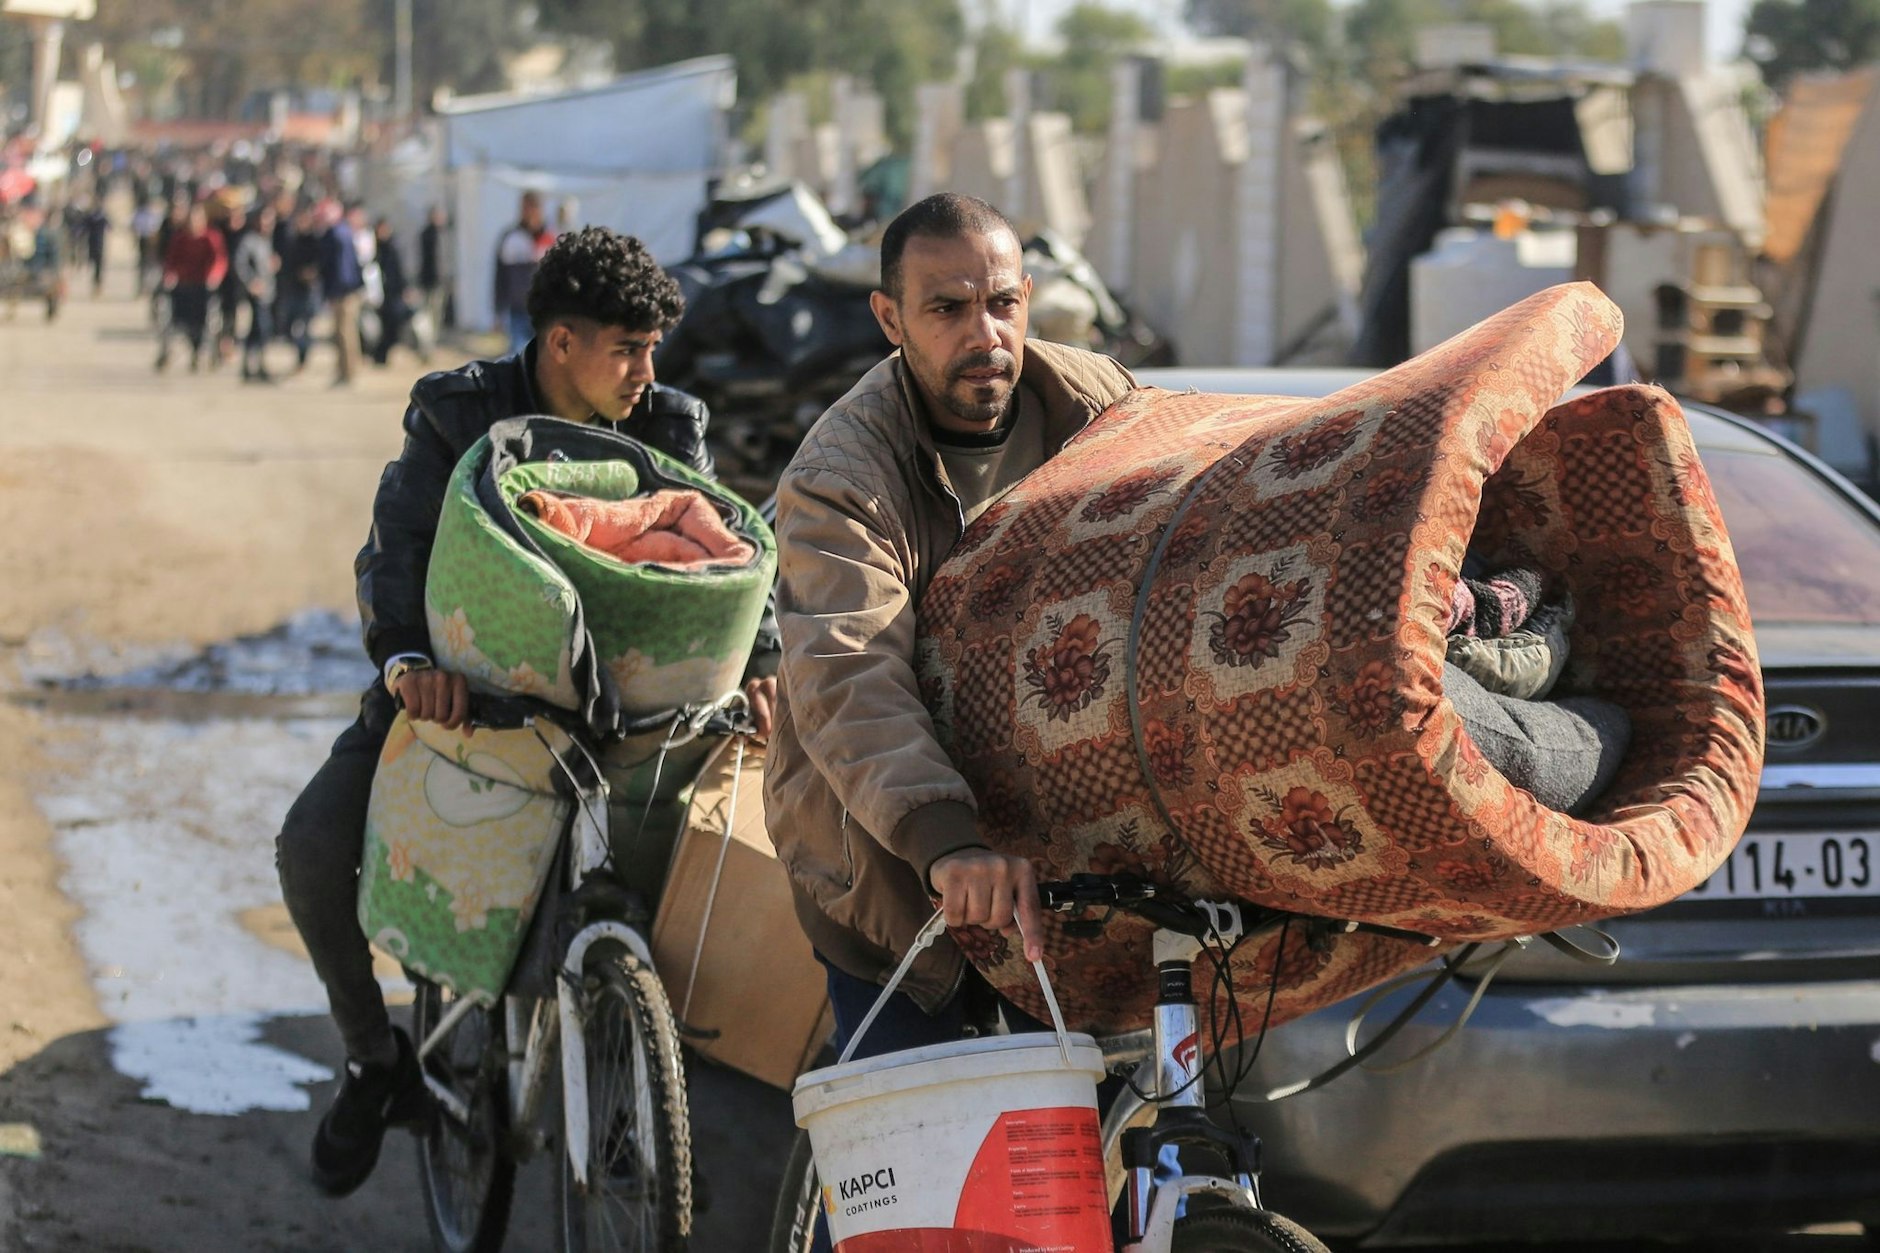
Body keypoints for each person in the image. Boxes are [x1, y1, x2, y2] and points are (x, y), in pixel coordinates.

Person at [277, 225, 777, 1198]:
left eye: (651, 349)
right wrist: (409, 659)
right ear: (560, 343)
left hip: (622, 713)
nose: (645, 371)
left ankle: (640, 1087)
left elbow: (729, 555)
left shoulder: (670, 424)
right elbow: (398, 547)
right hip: (468, 697)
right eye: (626, 348)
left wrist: (759, 659)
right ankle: (375, 1058)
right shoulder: (456, 410)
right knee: (309, 844)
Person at [764, 194, 1138, 1060]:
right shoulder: (840, 476)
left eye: (1002, 303)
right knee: (916, 1169)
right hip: (894, 875)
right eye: (947, 309)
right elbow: (847, 667)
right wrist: (945, 840)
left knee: (1100, 1157)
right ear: (889, 318)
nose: (985, 333)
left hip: (1065, 867)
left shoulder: (1106, 413)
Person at [156, 203, 227, 373]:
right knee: (174, 322)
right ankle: (167, 353)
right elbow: (171, 260)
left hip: (203, 287)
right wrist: (170, 274)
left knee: (205, 323)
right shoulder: (180, 238)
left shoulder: (211, 237)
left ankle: (204, 354)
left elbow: (219, 259)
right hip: (183, 286)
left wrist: (214, 276)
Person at [492, 189, 551, 353]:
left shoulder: (551, 237)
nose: (528, 212)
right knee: (518, 355)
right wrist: (498, 311)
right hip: (517, 308)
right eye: (525, 208)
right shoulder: (510, 237)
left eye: (532, 207)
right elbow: (500, 277)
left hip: (545, 311)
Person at [319, 200, 365, 386]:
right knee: (343, 333)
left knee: (345, 333)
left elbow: (342, 268)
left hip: (344, 292)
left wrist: (336, 291)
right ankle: (345, 371)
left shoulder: (336, 234)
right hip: (346, 290)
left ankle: (348, 373)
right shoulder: (342, 232)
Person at [233, 204, 278, 383]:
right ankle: (251, 365)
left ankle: (257, 365)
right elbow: (240, 264)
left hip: (268, 293)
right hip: (254, 295)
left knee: (262, 331)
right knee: (259, 329)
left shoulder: (267, 240)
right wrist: (251, 282)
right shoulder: (249, 240)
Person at [278, 204, 324, 375]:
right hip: (292, 290)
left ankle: (302, 359)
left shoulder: (315, 241)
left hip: (308, 292)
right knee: (289, 328)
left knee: (303, 328)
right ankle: (300, 356)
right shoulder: (291, 240)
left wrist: (312, 273)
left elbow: (321, 264)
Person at [368, 216, 410, 366]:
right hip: (380, 295)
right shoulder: (375, 249)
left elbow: (400, 270)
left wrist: (405, 288)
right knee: (384, 328)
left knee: (394, 328)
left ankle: (380, 354)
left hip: (394, 294)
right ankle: (380, 356)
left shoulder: (394, 247)